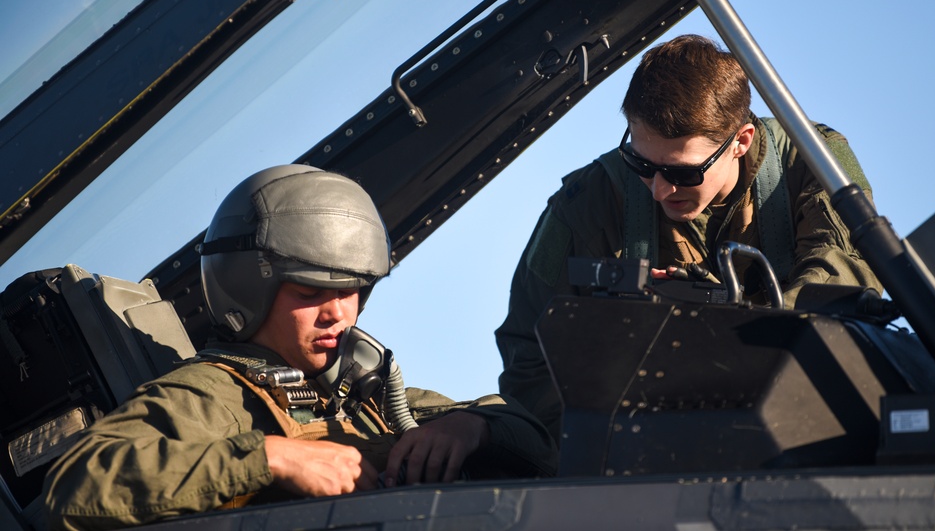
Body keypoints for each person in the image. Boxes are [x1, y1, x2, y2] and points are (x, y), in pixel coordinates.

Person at [44, 165, 556, 530]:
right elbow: (77, 486)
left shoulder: (361, 388)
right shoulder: (212, 392)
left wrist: (470, 429)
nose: (338, 314)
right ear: (248, 288)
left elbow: (539, 442)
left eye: (352, 291)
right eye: (309, 293)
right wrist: (270, 457)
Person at [496, 34, 883, 439]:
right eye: (641, 164)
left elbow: (848, 271)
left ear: (741, 142)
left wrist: (736, 354)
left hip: (802, 430)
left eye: (684, 173)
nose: (661, 190)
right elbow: (530, 361)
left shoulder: (813, 159)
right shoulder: (585, 204)